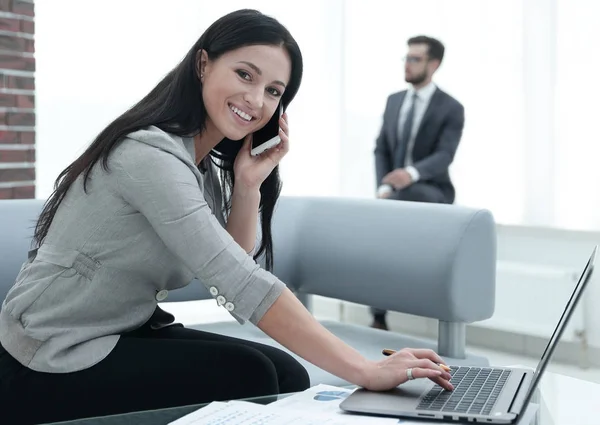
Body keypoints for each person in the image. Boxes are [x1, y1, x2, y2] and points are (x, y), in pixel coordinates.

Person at [0, 10, 453, 425]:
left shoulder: (200, 168)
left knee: (285, 372)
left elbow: (229, 266)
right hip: (49, 353)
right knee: (253, 376)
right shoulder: (148, 153)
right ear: (202, 65)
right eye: (244, 74)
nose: (256, 100)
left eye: (274, 91)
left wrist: (249, 185)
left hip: (120, 330)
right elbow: (238, 281)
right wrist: (365, 368)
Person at [371, 36, 465, 331]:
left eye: (415, 59)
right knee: (376, 234)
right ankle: (378, 315)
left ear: (433, 64)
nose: (407, 64)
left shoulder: (451, 107)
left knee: (400, 204)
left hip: (431, 191)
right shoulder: (394, 100)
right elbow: (381, 149)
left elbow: (444, 155)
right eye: (406, 58)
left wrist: (409, 174)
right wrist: (384, 187)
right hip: (394, 194)